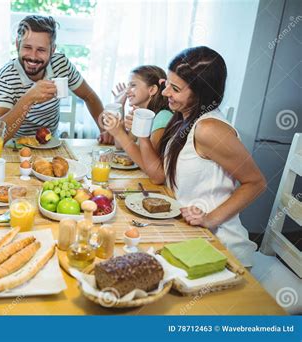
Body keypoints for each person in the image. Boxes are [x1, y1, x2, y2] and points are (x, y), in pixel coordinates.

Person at [104, 47, 266, 266]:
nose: (165, 93)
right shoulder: (182, 119)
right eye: (166, 84)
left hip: (219, 249)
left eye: (175, 88)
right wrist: (140, 134)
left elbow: (256, 182)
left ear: (201, 94)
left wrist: (210, 218)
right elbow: (158, 174)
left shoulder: (208, 129)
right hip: (186, 235)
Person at [0, 15, 113, 144]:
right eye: (27, 47)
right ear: (17, 44)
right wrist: (29, 98)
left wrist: (104, 129)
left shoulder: (61, 64)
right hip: (15, 146)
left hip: (51, 143)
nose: (33, 56)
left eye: (41, 50)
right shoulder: (3, 78)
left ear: (52, 50)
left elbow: (89, 96)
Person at [110, 65, 172, 169]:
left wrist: (140, 130)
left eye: (133, 85)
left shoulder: (162, 117)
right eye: (127, 86)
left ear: (152, 90)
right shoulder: (140, 114)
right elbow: (121, 146)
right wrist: (119, 106)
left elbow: (152, 164)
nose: (126, 91)